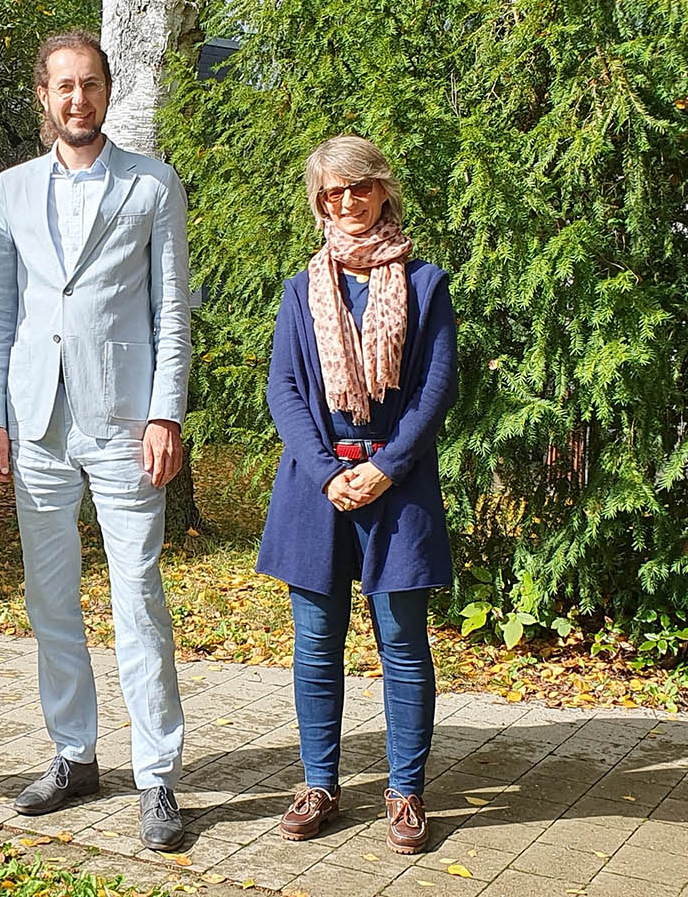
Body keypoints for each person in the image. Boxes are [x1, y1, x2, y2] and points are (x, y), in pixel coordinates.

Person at [0, 29, 193, 850]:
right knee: (49, 599)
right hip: (35, 426)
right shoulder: (10, 190)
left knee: (137, 596)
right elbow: (0, 313)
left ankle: (159, 777)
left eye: (90, 84)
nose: (78, 99)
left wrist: (166, 414)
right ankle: (74, 754)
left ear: (107, 90)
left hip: (126, 424)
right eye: (63, 86)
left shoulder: (152, 184)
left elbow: (172, 311)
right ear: (42, 94)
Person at [257, 135, 458, 853]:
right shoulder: (300, 288)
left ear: (382, 192)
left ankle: (404, 793)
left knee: (402, 643)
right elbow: (283, 389)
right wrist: (323, 469)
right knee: (315, 645)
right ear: (320, 204)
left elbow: (436, 389)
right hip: (318, 487)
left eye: (360, 187)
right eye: (333, 192)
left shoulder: (425, 282)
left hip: (396, 485)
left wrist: (388, 466)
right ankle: (320, 784)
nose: (348, 202)